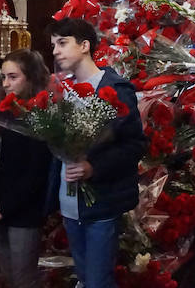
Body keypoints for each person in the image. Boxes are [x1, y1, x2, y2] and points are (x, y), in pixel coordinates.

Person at [45, 18, 146, 288]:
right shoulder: (61, 92)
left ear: (85, 46)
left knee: (99, 282)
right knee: (86, 278)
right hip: (69, 204)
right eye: (53, 45)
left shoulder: (113, 89)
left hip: (101, 202)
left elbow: (134, 145)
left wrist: (94, 167)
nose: (55, 51)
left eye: (62, 43)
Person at [0, 49, 53, 288]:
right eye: (4, 77)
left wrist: (3, 209)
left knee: (23, 280)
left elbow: (36, 175)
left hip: (22, 212)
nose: (6, 84)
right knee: (8, 275)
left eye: (13, 77)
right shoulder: (4, 112)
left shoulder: (40, 116)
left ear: (31, 78)